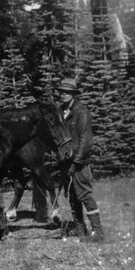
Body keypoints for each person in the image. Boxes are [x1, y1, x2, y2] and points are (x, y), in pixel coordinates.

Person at [58, 78, 105, 243]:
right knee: (72, 196)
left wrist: (76, 162)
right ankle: (80, 229)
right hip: (65, 162)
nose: (62, 94)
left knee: (84, 194)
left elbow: (86, 141)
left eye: (66, 92)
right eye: (61, 91)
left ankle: (97, 231)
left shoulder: (81, 111)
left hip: (79, 162)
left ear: (73, 94)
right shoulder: (60, 111)